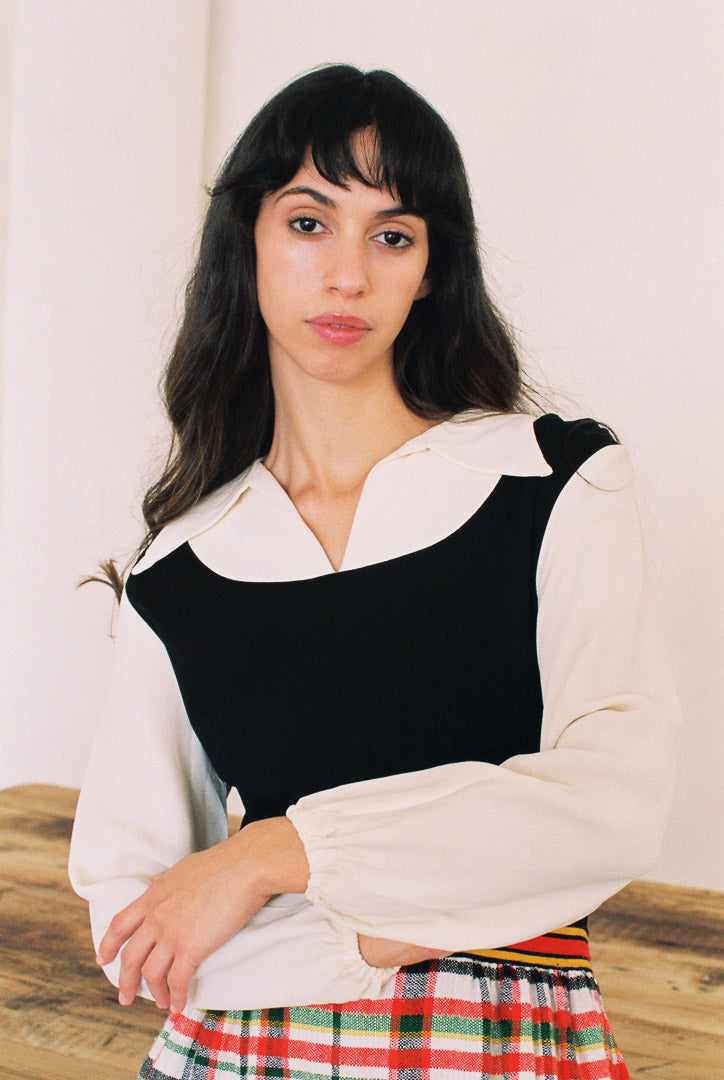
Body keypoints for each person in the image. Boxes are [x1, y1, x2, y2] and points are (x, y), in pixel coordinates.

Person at [68, 64, 679, 1079]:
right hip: (237, 1054)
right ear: (248, 241)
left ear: (431, 269)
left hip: (505, 1050)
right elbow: (136, 928)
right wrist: (381, 934)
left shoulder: (553, 482)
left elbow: (612, 805)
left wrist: (274, 855)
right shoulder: (179, 573)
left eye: (390, 235)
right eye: (309, 223)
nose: (347, 275)